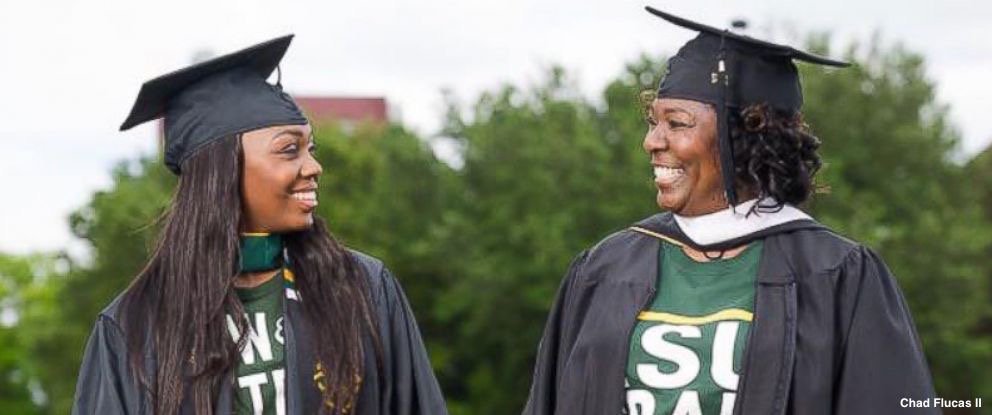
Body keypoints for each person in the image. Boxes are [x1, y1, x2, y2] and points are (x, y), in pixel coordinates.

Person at [522, 8, 937, 415]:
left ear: (747, 135)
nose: (652, 141)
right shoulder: (604, 270)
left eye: (677, 124)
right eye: (653, 122)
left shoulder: (837, 275)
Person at [70, 35, 447, 415]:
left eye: (310, 149)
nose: (313, 167)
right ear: (223, 171)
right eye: (289, 150)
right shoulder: (135, 328)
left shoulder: (362, 289)